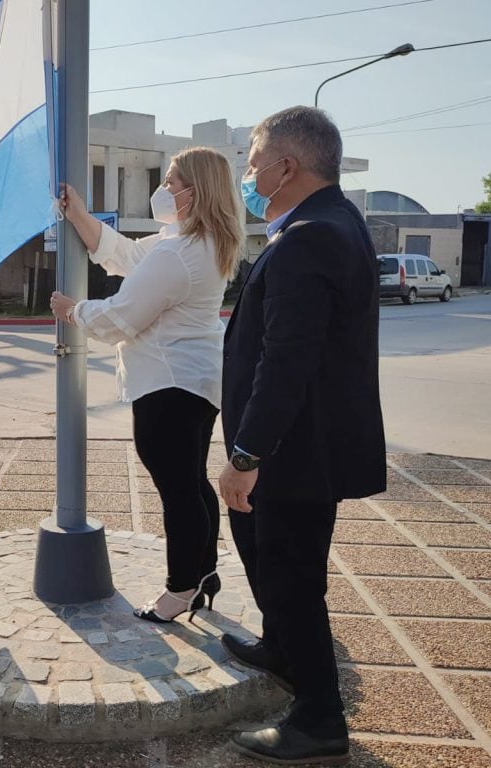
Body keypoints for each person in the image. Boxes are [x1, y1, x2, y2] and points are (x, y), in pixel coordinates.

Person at [218, 106, 386, 765]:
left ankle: (318, 719)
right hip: (302, 447)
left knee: (291, 580)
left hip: (289, 453)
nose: (250, 177)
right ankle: (282, 650)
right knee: (275, 564)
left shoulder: (310, 236)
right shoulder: (332, 222)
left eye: (254, 162)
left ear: (287, 165)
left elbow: (287, 361)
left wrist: (245, 455)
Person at [50, 146, 244, 623]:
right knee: (191, 485)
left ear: (195, 191)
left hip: (169, 387)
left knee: (178, 492)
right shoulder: (190, 242)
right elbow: (127, 254)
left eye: (172, 181)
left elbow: (124, 314)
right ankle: (204, 575)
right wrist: (79, 215)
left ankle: (180, 589)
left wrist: (73, 311)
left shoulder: (181, 252)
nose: (165, 189)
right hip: (191, 383)